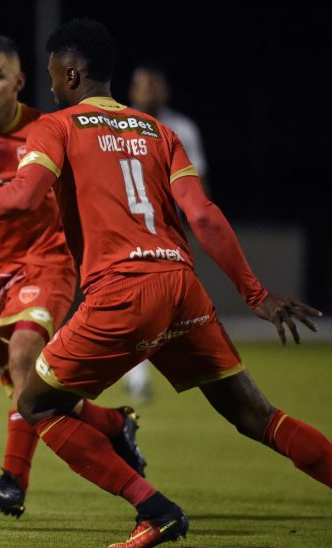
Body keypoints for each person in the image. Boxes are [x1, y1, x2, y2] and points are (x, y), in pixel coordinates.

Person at [0, 19, 330, 548]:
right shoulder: (157, 131)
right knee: (258, 416)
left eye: (53, 72)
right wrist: (256, 293)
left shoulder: (57, 126)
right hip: (181, 286)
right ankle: (122, 440)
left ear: (71, 73)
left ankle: (155, 509)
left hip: (123, 292)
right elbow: (203, 216)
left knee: (35, 404)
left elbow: (23, 196)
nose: (51, 83)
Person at [0, 33, 144, 518]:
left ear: (18, 82)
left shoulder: (49, 130)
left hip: (48, 262)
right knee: (32, 393)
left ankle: (14, 481)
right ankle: (112, 424)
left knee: (24, 353)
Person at [125, 61, 211, 402]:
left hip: (167, 230)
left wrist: (202, 224)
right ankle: (137, 376)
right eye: (143, 85)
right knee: (136, 303)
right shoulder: (116, 125)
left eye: (154, 85)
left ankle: (193, 365)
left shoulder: (182, 129)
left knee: (163, 307)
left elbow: (198, 183)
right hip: (125, 228)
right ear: (132, 91)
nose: (149, 92)